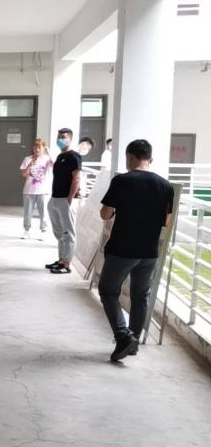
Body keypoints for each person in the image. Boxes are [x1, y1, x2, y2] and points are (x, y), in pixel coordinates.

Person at [97, 139, 174, 362]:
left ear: (129, 157)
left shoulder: (122, 180)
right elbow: (167, 222)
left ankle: (123, 336)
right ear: (150, 159)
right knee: (141, 296)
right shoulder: (166, 186)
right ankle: (133, 343)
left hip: (122, 248)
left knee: (108, 291)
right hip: (149, 251)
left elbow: (105, 214)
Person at [46, 128, 82, 275]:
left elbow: (77, 178)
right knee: (59, 233)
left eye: (63, 137)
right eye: (58, 137)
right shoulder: (60, 156)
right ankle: (61, 260)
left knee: (68, 233)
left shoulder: (74, 157)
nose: (60, 139)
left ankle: (66, 264)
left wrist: (70, 198)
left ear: (70, 139)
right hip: (55, 198)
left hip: (65, 199)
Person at [20, 139, 53, 240]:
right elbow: (24, 174)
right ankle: (27, 230)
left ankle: (44, 231)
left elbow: (55, 164)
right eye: (35, 147)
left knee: (43, 212)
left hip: (43, 190)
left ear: (43, 148)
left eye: (39, 147)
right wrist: (30, 165)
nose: (37, 149)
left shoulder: (47, 159)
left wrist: (49, 152)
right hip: (29, 190)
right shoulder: (27, 158)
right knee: (27, 212)